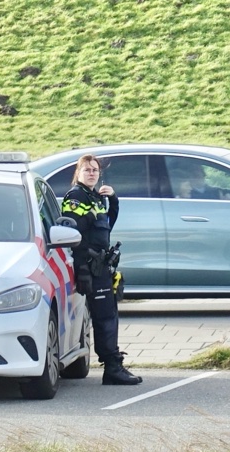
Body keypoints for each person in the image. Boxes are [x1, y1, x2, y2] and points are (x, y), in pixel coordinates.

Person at [60, 155, 141, 386]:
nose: (92, 173)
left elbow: (105, 227)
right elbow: (76, 237)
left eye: (95, 170)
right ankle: (112, 368)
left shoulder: (95, 198)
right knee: (104, 318)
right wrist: (83, 268)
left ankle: (113, 365)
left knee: (108, 316)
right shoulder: (75, 197)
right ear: (78, 173)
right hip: (90, 266)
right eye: (87, 170)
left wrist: (113, 200)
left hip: (101, 266)